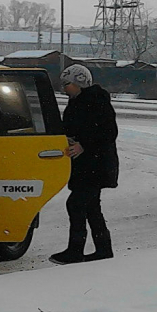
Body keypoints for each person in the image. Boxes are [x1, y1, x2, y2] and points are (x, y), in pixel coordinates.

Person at [50, 64, 119, 265]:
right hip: (86, 166)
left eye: (67, 84)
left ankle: (75, 250)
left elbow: (108, 133)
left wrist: (83, 145)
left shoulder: (97, 101)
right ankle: (103, 249)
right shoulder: (77, 102)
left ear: (79, 82)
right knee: (91, 207)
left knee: (76, 204)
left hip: (96, 166)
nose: (64, 89)